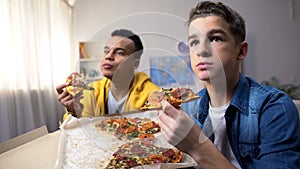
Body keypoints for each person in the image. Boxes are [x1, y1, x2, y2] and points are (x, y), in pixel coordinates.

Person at [158, 1, 300, 168]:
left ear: (241, 51)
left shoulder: (274, 108)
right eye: (194, 42)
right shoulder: (189, 107)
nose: (201, 50)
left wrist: (197, 146)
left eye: (215, 38)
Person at [56, 29, 159, 119]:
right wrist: (75, 111)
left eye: (120, 52)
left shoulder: (152, 95)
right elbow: (77, 133)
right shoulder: (91, 92)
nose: (108, 56)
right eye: (106, 51)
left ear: (135, 64)